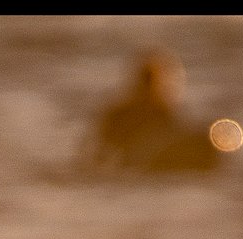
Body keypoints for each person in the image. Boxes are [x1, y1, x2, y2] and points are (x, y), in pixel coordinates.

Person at [87, 49, 225, 173]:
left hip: (145, 162)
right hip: (137, 163)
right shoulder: (120, 113)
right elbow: (100, 152)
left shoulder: (161, 110)